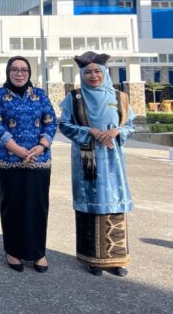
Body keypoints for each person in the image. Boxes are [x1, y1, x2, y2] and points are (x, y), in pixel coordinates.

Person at [58, 51, 134, 277]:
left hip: (113, 160)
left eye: (97, 71)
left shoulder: (120, 97)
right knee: (91, 201)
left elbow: (130, 125)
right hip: (87, 157)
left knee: (114, 202)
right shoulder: (75, 98)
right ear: (82, 74)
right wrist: (89, 130)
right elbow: (64, 125)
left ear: (104, 73)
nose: (93, 76)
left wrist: (115, 131)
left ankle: (117, 259)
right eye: (88, 72)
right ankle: (92, 258)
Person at [0, 56, 57, 273]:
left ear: (29, 73)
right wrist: (15, 148)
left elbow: (51, 121)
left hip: (38, 160)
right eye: (15, 70)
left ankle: (38, 252)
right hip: (9, 160)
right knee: (13, 206)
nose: (19, 73)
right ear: (8, 72)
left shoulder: (40, 95)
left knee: (37, 207)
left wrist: (41, 146)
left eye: (24, 70)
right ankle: (13, 251)